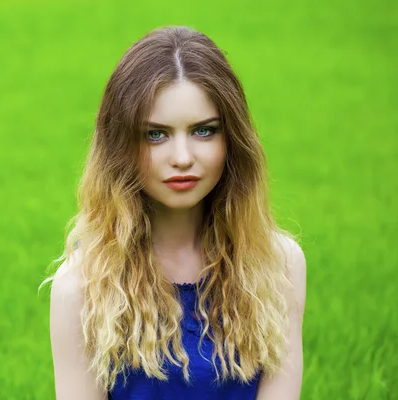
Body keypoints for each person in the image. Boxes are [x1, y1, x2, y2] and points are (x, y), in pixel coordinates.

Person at [40, 25, 307, 400]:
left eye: (204, 131)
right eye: (156, 134)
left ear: (233, 140)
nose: (182, 158)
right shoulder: (82, 290)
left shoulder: (279, 266)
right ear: (120, 146)